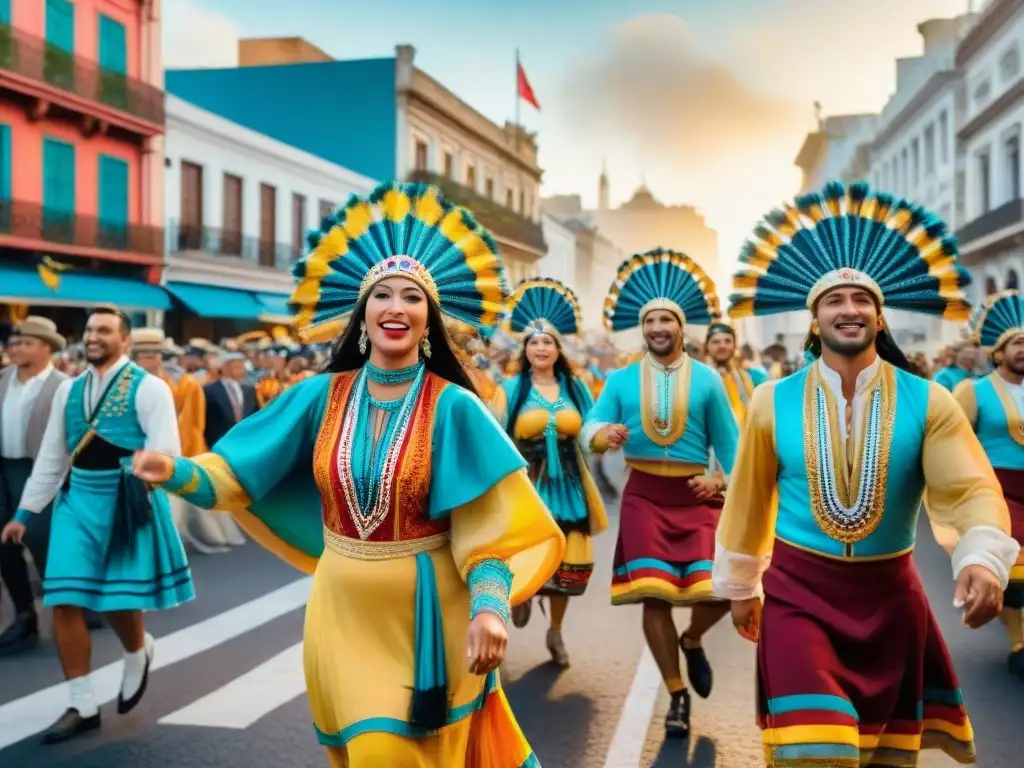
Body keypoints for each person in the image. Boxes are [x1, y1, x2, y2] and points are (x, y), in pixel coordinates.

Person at [131, 181, 565, 768]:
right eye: (381, 295)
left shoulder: (454, 407)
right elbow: (235, 475)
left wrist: (490, 606)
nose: (395, 307)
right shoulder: (317, 396)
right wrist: (175, 470)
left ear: (428, 318)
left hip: (430, 620)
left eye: (411, 298)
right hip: (341, 611)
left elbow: (488, 528)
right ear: (362, 313)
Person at [715, 180, 1020, 766]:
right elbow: (748, 501)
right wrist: (741, 583)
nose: (849, 309)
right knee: (816, 750)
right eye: (834, 300)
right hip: (797, 596)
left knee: (884, 760)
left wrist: (982, 555)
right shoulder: (769, 401)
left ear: (879, 320)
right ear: (813, 320)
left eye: (862, 301)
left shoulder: (929, 400)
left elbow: (971, 489)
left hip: (890, 601)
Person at [1, 307, 194, 744]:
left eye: (104, 330)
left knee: (112, 599)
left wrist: (148, 479)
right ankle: (82, 703)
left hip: (125, 501)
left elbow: (167, 450)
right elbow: (52, 456)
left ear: (125, 341)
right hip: (77, 501)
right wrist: (24, 513)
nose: (93, 337)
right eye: (89, 330)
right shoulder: (68, 391)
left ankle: (137, 649)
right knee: (65, 599)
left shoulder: (150, 388)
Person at [581, 248, 740, 738]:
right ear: (642, 328)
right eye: (649, 320)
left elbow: (731, 450)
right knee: (654, 597)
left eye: (666, 319)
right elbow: (591, 423)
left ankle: (693, 640)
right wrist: (601, 436)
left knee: (723, 591)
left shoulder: (709, 380)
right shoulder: (622, 379)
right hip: (644, 496)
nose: (656, 327)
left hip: (696, 496)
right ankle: (677, 695)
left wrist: (720, 480)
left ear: (681, 326)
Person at [490, 278, 609, 667]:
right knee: (522, 554)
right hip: (526, 483)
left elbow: (591, 433)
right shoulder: (510, 389)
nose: (541, 348)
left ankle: (555, 630)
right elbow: (494, 434)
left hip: (569, 482)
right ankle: (521, 596)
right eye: (534, 342)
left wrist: (606, 437)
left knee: (568, 561)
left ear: (559, 350)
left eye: (548, 342)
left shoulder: (576, 390)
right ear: (525, 350)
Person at [951, 290, 1024, 679]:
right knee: (1014, 573)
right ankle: (1019, 642)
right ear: (998, 351)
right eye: (1017, 343)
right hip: (997, 491)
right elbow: (954, 446)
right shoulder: (972, 391)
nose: (1023, 349)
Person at [0, 317, 68, 654]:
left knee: (42, 541)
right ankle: (24, 617)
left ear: (46, 348)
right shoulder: (2, 381)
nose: (16, 349)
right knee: (3, 546)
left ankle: (69, 611)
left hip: (45, 474)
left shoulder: (63, 386)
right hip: (4, 471)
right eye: (13, 343)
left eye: (25, 343)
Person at [202, 352, 259, 448]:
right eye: (236, 367)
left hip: (245, 442)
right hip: (219, 444)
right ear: (225, 368)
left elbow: (255, 413)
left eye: (242, 366)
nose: (242, 370)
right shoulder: (210, 390)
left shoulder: (249, 390)